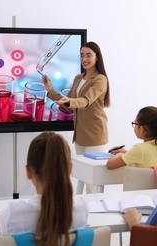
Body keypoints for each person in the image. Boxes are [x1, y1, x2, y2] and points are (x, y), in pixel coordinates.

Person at [0, 132, 89, 246]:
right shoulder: (82, 209)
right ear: (69, 169)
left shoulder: (13, 214)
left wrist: (0, 217)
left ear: (28, 172)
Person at [42, 41, 110, 194]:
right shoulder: (78, 78)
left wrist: (71, 101)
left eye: (88, 55)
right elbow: (69, 104)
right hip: (79, 135)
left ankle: (93, 211)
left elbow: (85, 101)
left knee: (92, 180)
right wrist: (50, 90)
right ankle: (81, 207)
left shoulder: (100, 79)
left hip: (95, 134)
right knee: (82, 175)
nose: (84, 59)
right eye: (81, 56)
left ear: (97, 57)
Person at [106, 106, 157, 170]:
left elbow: (110, 165)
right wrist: (127, 153)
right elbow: (146, 157)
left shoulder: (139, 150)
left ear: (142, 129)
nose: (134, 126)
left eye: (135, 123)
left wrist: (120, 155)